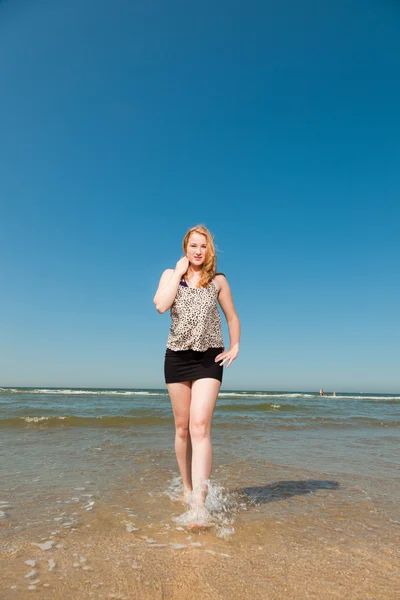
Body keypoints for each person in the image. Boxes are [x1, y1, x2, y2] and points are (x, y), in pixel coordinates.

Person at [153, 224, 240, 523]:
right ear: (185, 248)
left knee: (199, 426)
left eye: (203, 246)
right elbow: (160, 306)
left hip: (208, 359)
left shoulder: (218, 281)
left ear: (209, 249)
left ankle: (199, 504)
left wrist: (236, 344)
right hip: (176, 358)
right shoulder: (170, 276)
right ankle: (187, 488)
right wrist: (177, 273)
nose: (198, 251)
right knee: (182, 429)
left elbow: (232, 317)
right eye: (193, 246)